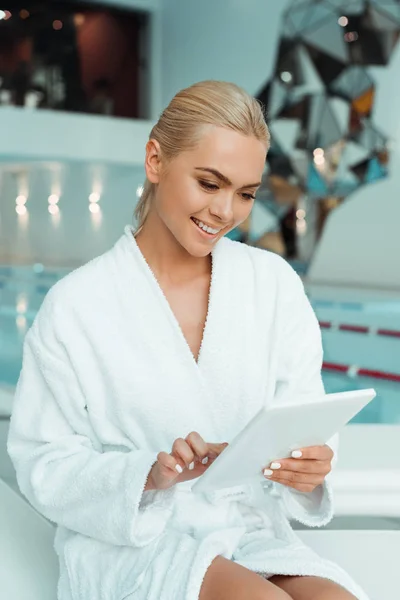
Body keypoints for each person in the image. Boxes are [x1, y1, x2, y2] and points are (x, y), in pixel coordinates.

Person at [7, 81, 369, 600]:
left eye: (245, 193)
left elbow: (304, 410)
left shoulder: (272, 284)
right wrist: (144, 477)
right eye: (208, 182)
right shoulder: (77, 304)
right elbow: (42, 461)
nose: (225, 211)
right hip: (132, 545)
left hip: (248, 531)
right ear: (156, 159)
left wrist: (308, 462)